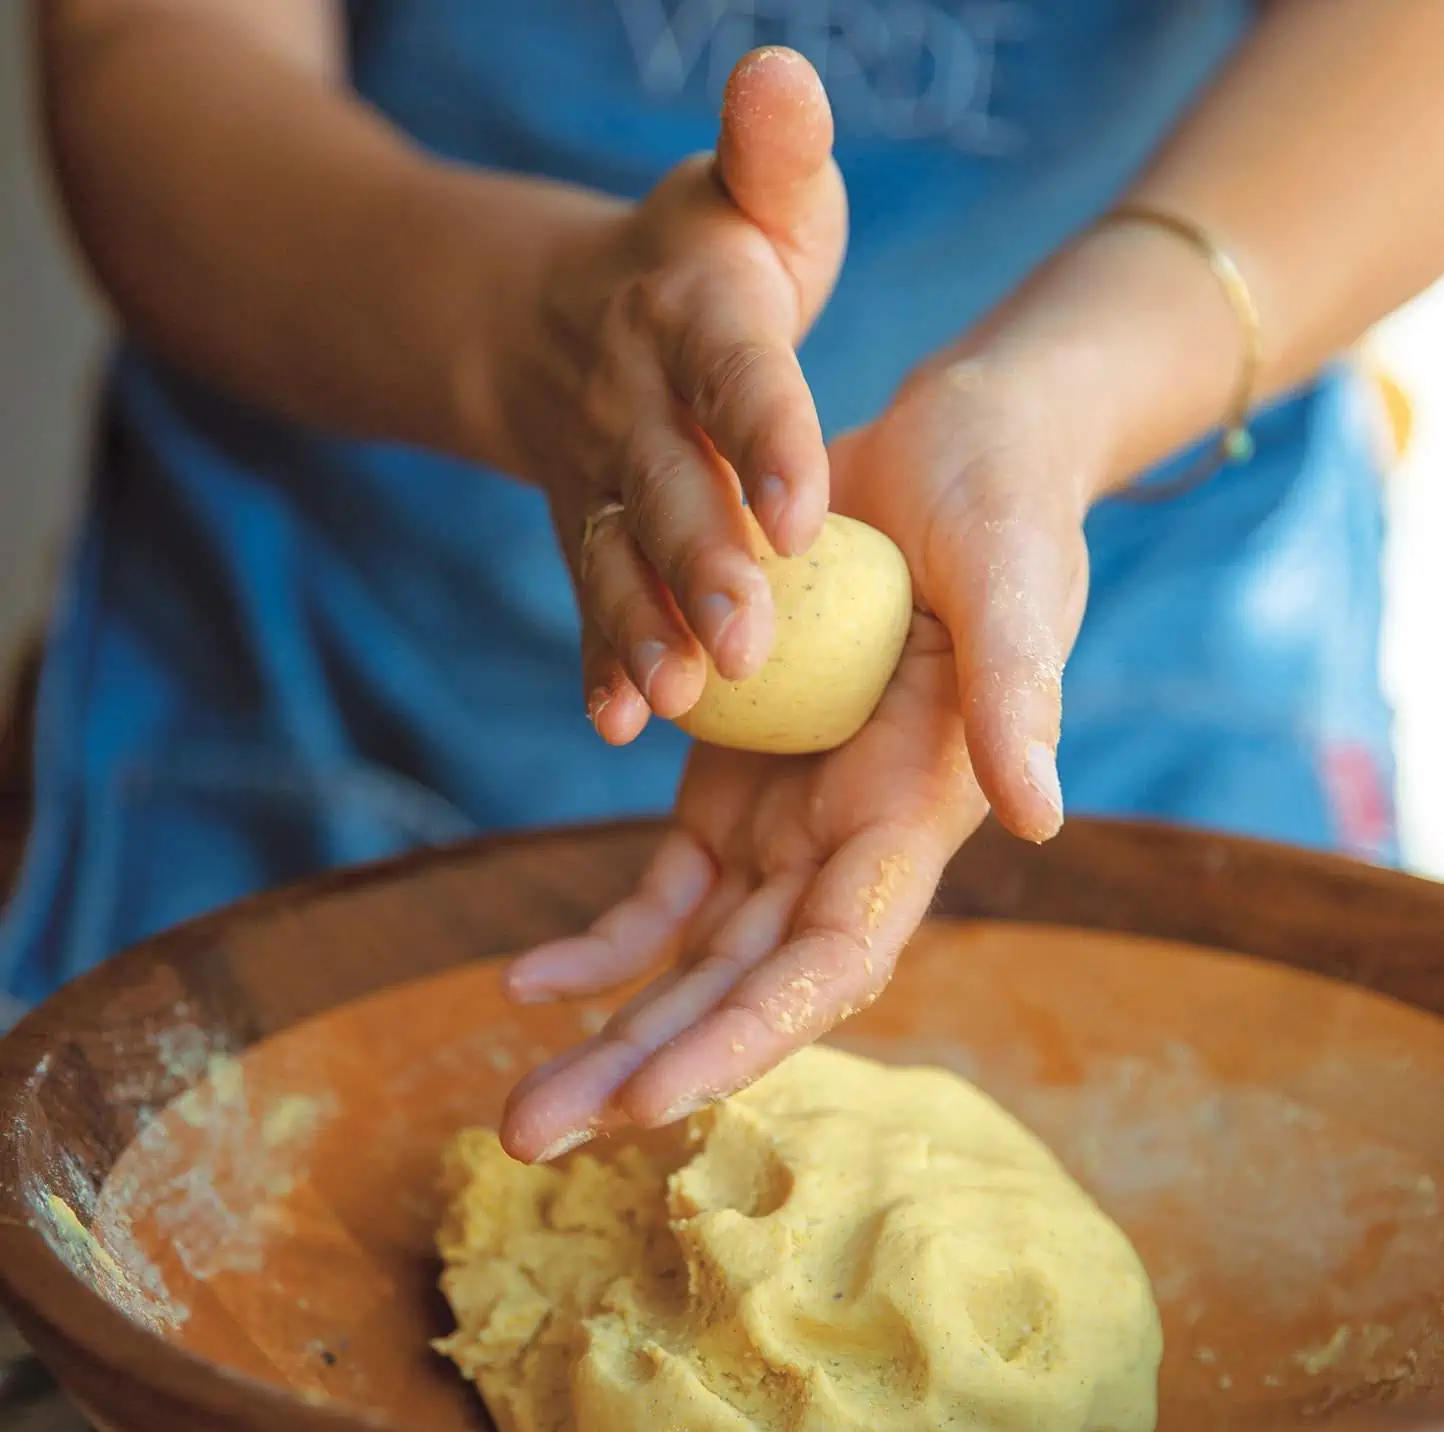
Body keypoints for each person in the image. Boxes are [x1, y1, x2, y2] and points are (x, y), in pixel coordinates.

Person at [8, 0, 1441, 1160]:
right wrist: (526, 333)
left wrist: (1066, 396)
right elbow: (149, 44)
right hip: (340, 640)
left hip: (1150, 602)